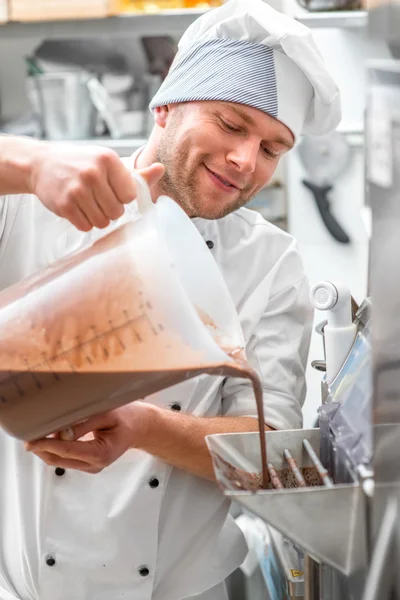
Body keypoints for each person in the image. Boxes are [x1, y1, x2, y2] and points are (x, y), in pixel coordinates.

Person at [0, 1, 341, 599]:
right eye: (232, 124)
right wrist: (30, 162)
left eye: (272, 148)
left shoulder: (272, 265)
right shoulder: (32, 203)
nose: (246, 161)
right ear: (165, 104)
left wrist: (142, 426)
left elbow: (274, 463)